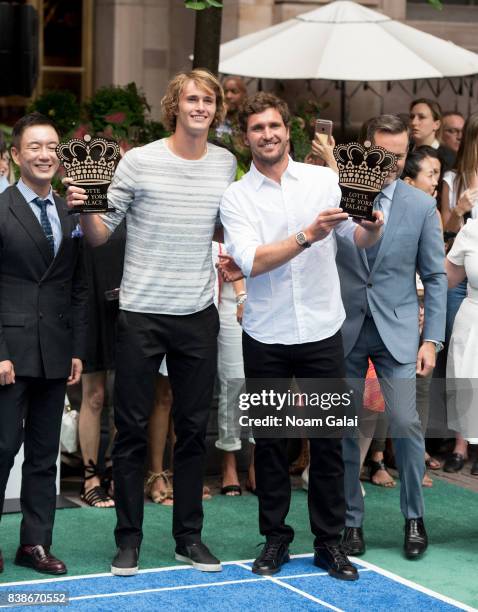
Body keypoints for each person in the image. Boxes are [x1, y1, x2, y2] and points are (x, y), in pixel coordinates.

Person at [66, 69, 236, 576]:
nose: (200, 106)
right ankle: (129, 541)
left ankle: (189, 537)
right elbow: (100, 236)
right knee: (133, 431)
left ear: (216, 109)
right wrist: (82, 209)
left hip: (199, 314)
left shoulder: (227, 164)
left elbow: (234, 229)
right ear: (175, 106)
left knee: (191, 431)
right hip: (140, 314)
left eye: (208, 99)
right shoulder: (139, 162)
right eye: (191, 98)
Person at [219, 92, 383, 580]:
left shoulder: (325, 180)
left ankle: (329, 543)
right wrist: (308, 235)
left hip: (321, 328)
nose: (267, 135)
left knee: (329, 440)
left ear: (288, 130)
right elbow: (249, 260)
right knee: (270, 442)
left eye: (274, 126)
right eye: (257, 128)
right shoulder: (237, 196)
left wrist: (373, 224)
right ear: (246, 137)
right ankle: (274, 539)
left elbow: (359, 237)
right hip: (265, 332)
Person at [336, 115, 447, 559]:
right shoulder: (336, 196)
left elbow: (436, 277)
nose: (392, 165)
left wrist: (431, 340)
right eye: (384, 155)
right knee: (345, 429)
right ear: (368, 146)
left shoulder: (421, 206)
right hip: (343, 327)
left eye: (400, 157)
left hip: (399, 331)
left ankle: (414, 519)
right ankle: (349, 523)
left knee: (404, 423)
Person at [0, 113, 87, 575]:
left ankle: (34, 544)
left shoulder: (72, 210)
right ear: (16, 155)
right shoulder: (2, 207)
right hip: (9, 353)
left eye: (52, 145)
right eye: (34, 146)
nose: (45, 154)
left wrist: (76, 348)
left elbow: (77, 286)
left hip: (56, 351)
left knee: (43, 455)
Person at [439, 112, 478, 473]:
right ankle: (462, 443)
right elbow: (445, 275)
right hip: (469, 299)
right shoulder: (455, 179)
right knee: (465, 372)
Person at [78, 221, 126, 508]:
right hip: (90, 302)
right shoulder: (82, 192)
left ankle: (117, 470)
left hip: (128, 302)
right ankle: (90, 478)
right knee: (94, 395)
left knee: (125, 396)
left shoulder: (130, 191)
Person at [446, 218, 478, 475]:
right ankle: (461, 446)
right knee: (465, 388)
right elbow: (444, 278)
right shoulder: (471, 231)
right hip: (471, 320)